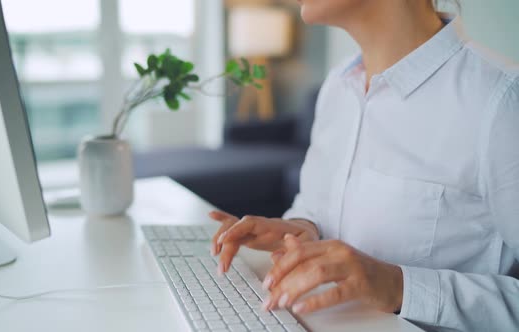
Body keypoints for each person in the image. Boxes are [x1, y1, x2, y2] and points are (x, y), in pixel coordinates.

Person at [209, 0, 519, 331]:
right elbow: (316, 209)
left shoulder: (500, 101)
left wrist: (398, 286)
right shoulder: (338, 86)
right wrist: (301, 229)